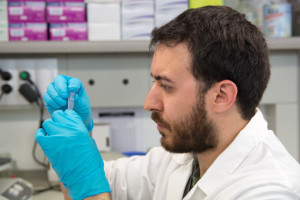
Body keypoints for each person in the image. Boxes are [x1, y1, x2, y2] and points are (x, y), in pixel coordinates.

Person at [35, 6, 300, 200]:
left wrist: (85, 182)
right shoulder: (183, 156)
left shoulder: (269, 190)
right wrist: (81, 143)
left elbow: (89, 188)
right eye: (154, 82)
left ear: (221, 96)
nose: (149, 103)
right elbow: (90, 183)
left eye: (166, 86)